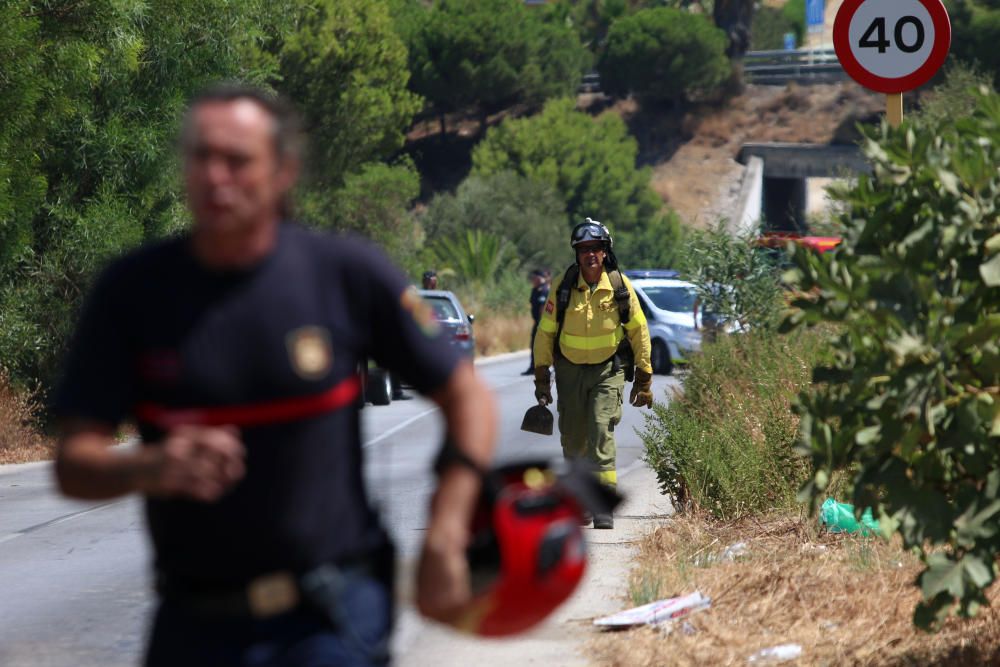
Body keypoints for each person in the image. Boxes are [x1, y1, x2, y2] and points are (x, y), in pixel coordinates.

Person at [52, 84, 497, 667]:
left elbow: (467, 397)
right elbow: (73, 462)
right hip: (195, 623)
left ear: (283, 170)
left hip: (331, 614)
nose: (216, 177)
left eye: (236, 160)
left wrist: (446, 523)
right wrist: (149, 465)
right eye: (201, 158)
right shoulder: (133, 292)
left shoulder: (344, 275)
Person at [531, 218, 653, 529]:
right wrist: (542, 378)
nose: (590, 255)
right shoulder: (563, 286)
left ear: (605, 252)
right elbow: (545, 333)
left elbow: (639, 332)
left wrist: (644, 377)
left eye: (596, 249)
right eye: (584, 249)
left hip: (607, 370)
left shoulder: (619, 287)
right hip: (569, 370)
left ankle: (602, 507)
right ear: (577, 254)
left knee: (600, 431)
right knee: (573, 440)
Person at [521, 268, 551, 375]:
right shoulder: (535, 289)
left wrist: (541, 324)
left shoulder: (544, 290)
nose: (532, 280)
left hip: (542, 323)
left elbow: (543, 307)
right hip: (537, 322)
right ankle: (533, 367)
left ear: (539, 278)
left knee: (543, 346)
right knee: (534, 345)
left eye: (534, 278)